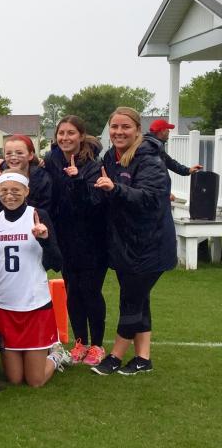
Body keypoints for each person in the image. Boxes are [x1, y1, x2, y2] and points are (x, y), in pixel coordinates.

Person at [91, 107, 176, 376]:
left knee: (131, 301)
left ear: (137, 130)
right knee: (140, 300)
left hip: (151, 244)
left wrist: (116, 189)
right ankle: (143, 359)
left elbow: (150, 199)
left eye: (125, 127)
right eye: (114, 127)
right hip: (126, 244)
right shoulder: (110, 157)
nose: (119, 132)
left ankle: (114, 357)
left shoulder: (150, 159)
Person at [0, 171, 65, 387]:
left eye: (15, 190)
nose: (9, 195)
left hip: (35, 304)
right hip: (5, 304)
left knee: (35, 381)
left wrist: (45, 240)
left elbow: (57, 264)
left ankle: (57, 354)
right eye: (4, 190)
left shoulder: (38, 215)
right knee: (14, 379)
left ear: (26, 191)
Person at [44, 116, 108, 366]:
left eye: (71, 133)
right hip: (66, 239)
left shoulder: (93, 164)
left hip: (93, 240)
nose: (65, 138)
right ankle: (80, 341)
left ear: (81, 136)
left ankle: (97, 345)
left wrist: (77, 179)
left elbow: (94, 203)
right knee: (73, 293)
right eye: (61, 133)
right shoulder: (52, 160)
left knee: (90, 292)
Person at [0, 134, 52, 219]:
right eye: (9, 153)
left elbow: (46, 211)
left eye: (19, 153)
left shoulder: (42, 178)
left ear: (30, 155)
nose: (13, 157)